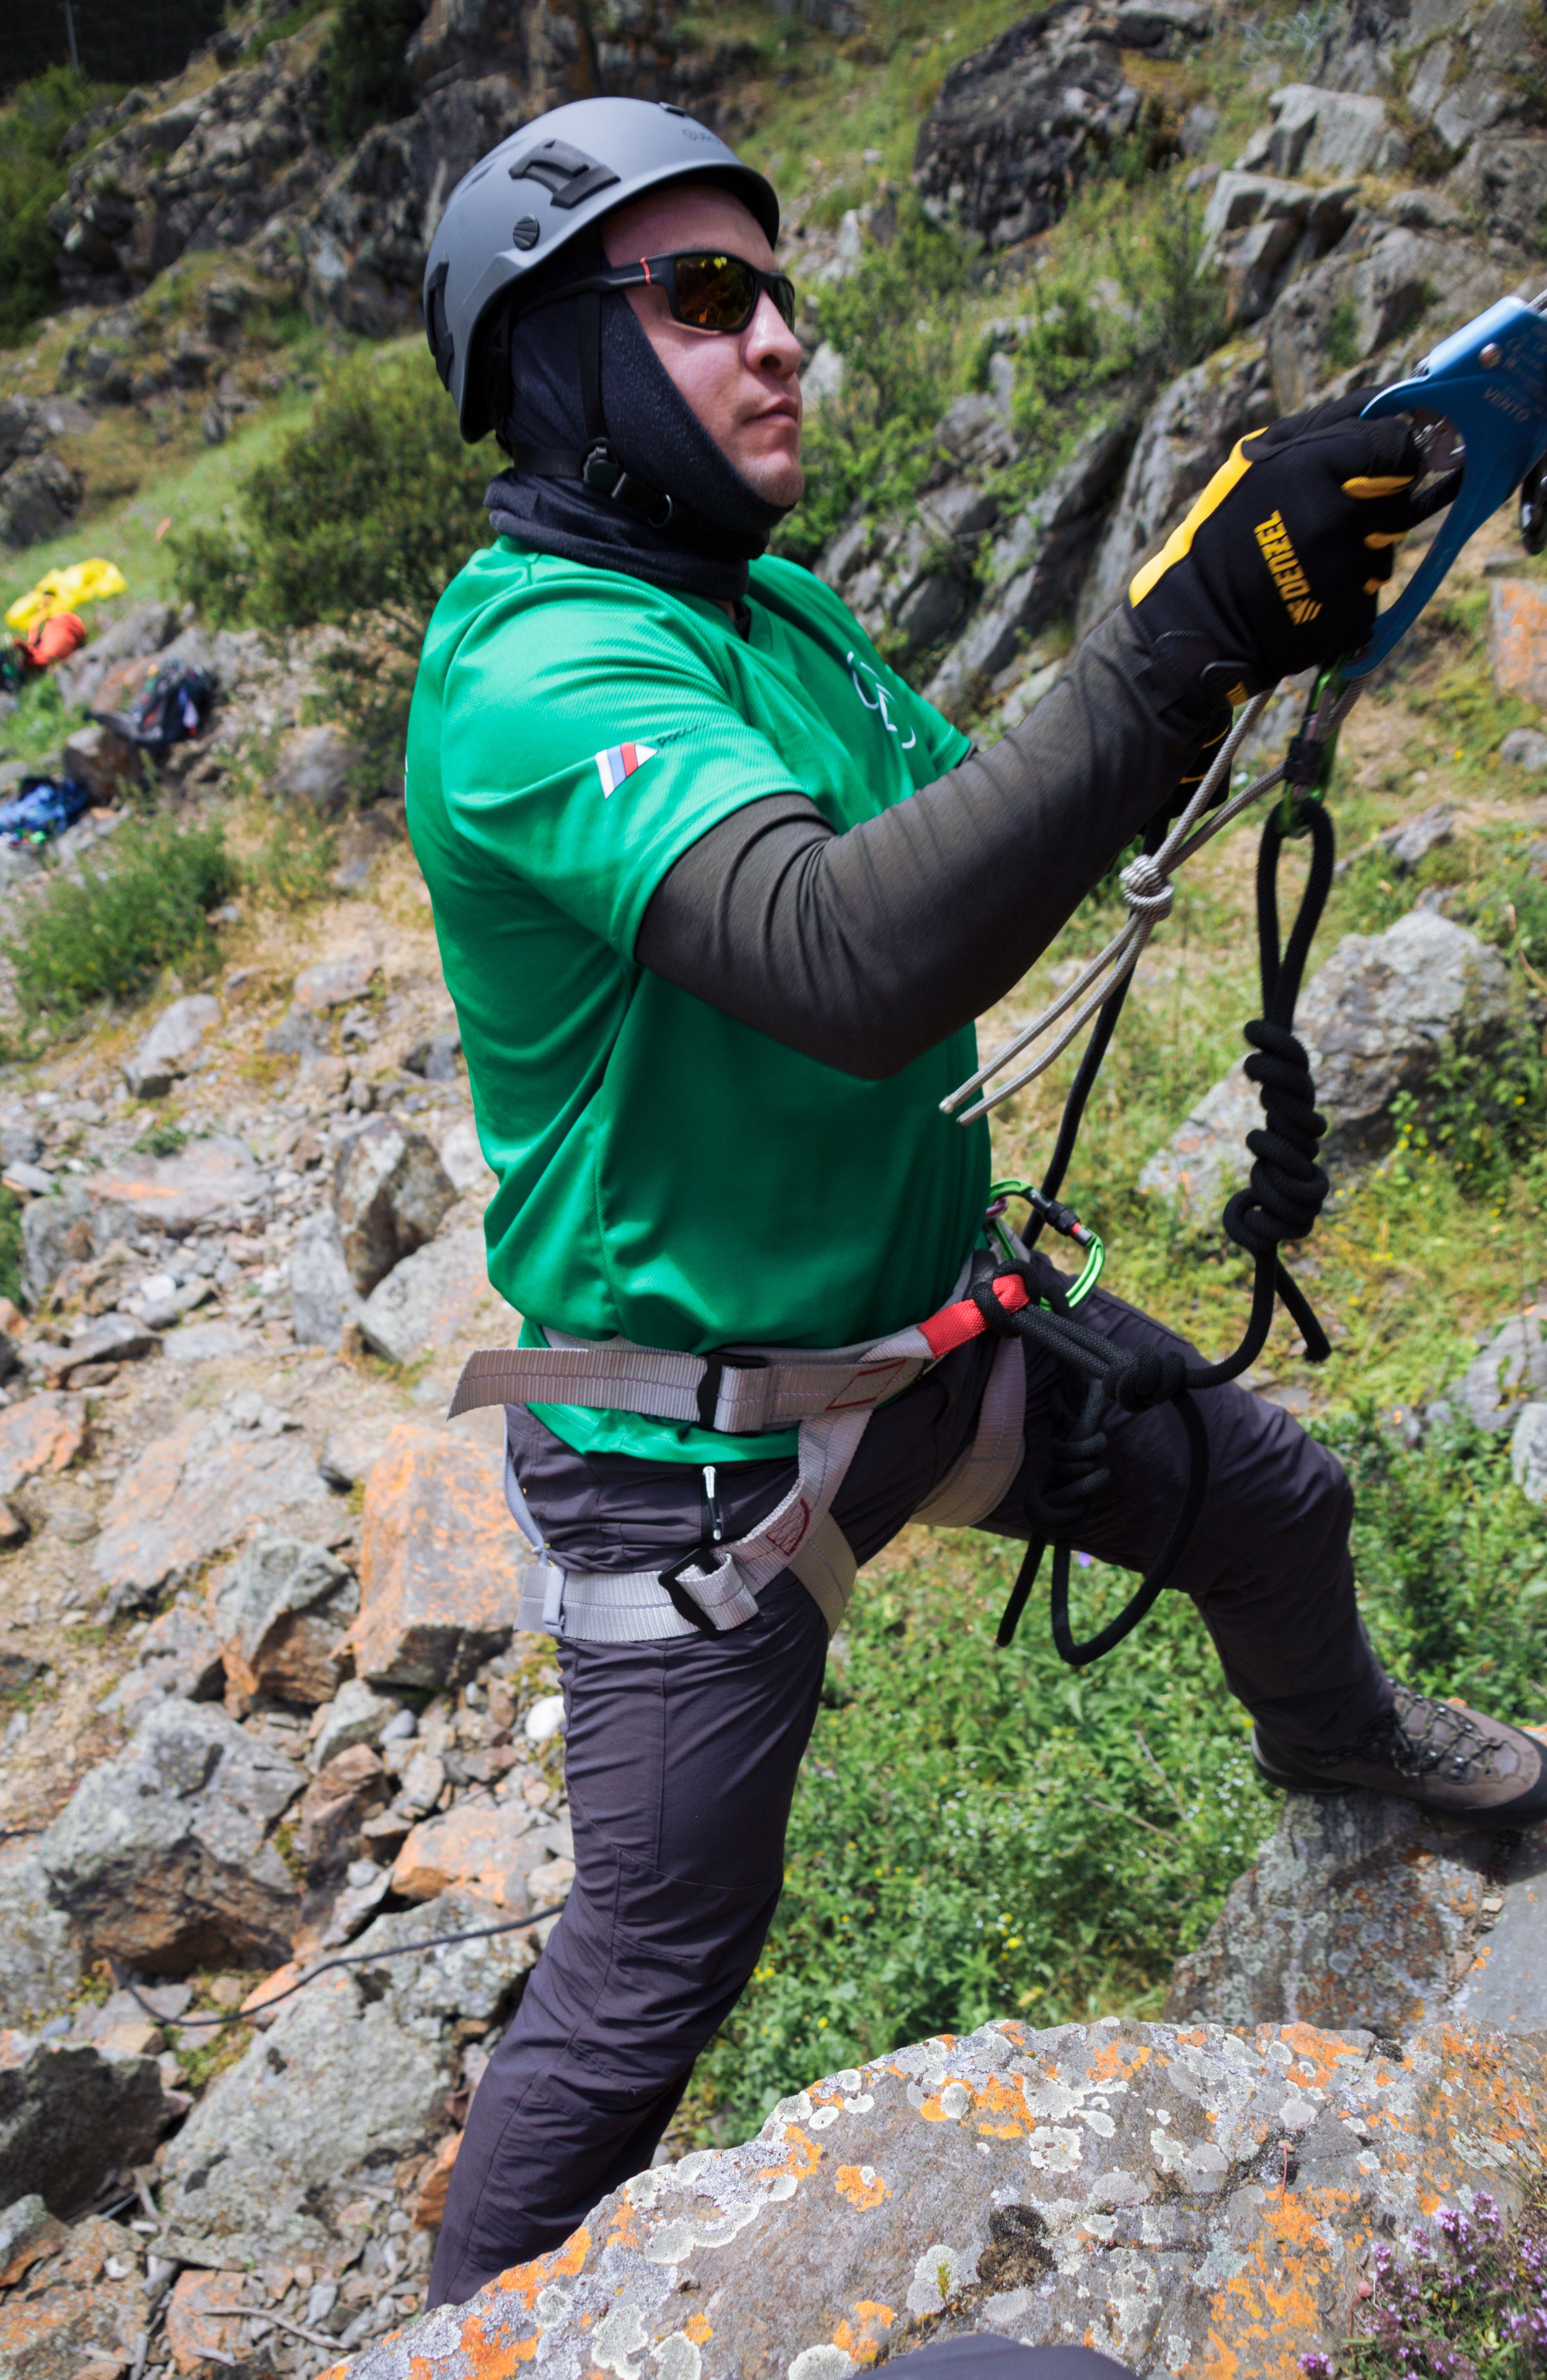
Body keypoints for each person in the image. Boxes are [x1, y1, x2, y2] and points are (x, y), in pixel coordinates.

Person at [406, 96, 1547, 2307]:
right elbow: (853, 955)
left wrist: (1226, 626)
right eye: (709, 298)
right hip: (692, 1454)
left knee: (1273, 1506)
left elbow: (990, 844)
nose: (781, 343)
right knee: (652, 1973)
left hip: (927, 1336)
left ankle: (1353, 1749)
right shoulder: (532, 670)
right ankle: (463, 2348)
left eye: (781, 291)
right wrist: (1164, 633)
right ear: (556, 357)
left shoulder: (781, 614)